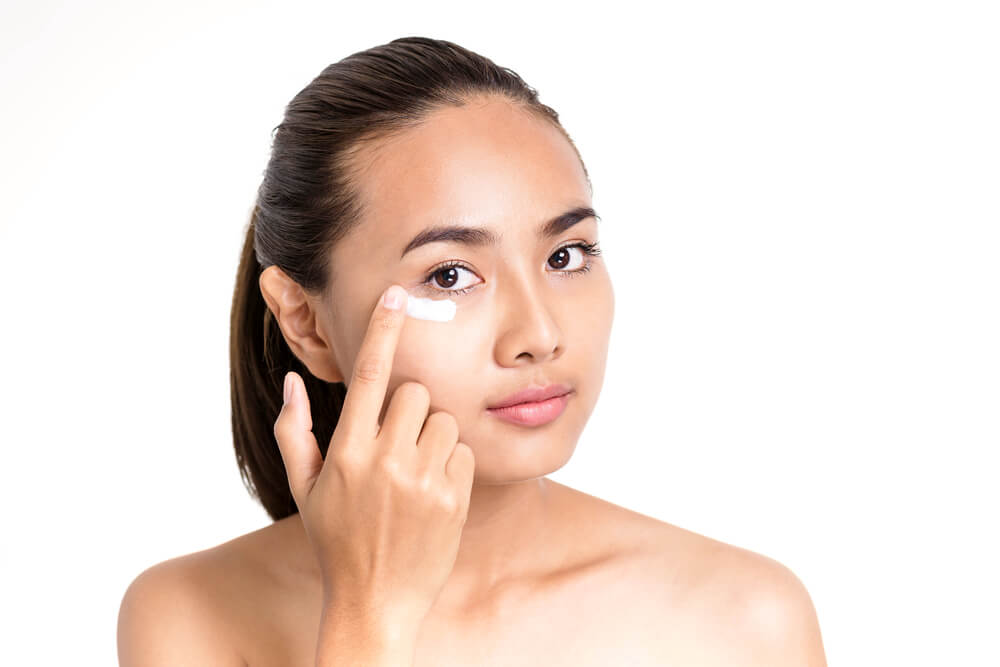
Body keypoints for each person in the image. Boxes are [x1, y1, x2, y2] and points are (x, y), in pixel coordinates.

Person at [117, 36, 827, 666]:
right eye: (450, 274)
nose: (539, 335)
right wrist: (370, 620)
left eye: (567, 254)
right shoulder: (188, 615)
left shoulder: (747, 621)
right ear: (305, 322)